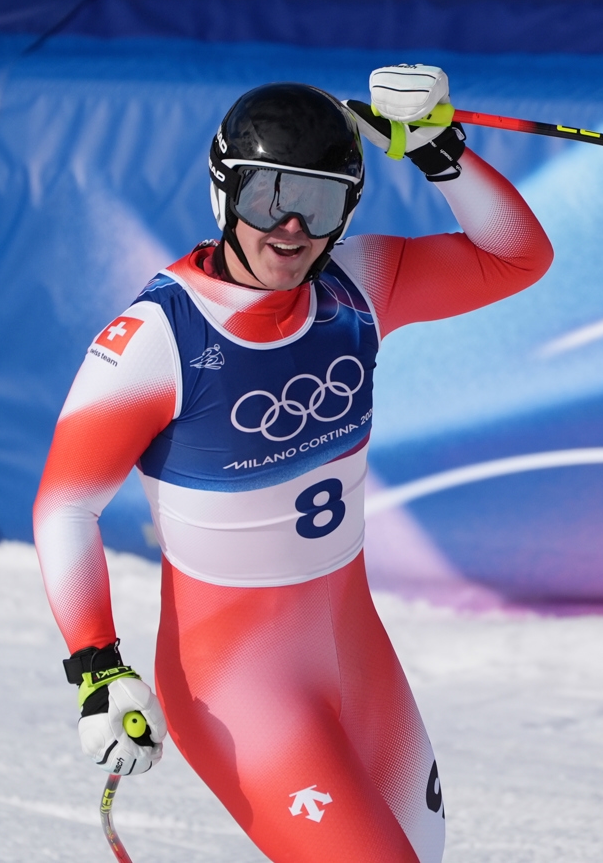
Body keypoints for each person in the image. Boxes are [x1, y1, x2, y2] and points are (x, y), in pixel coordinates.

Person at [33, 64, 553, 863]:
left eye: (319, 200)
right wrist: (97, 669)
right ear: (223, 193)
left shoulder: (360, 287)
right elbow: (66, 506)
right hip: (239, 688)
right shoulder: (156, 340)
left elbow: (518, 257)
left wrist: (436, 150)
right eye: (266, 194)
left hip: (353, 649)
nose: (291, 228)